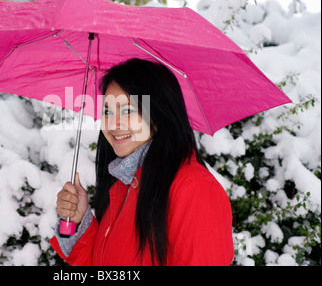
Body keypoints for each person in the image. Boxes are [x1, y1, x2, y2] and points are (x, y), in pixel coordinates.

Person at [49, 58, 234, 266]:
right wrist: (78, 219)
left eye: (128, 110)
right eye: (107, 111)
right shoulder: (125, 185)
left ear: (158, 113)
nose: (113, 124)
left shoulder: (194, 188)